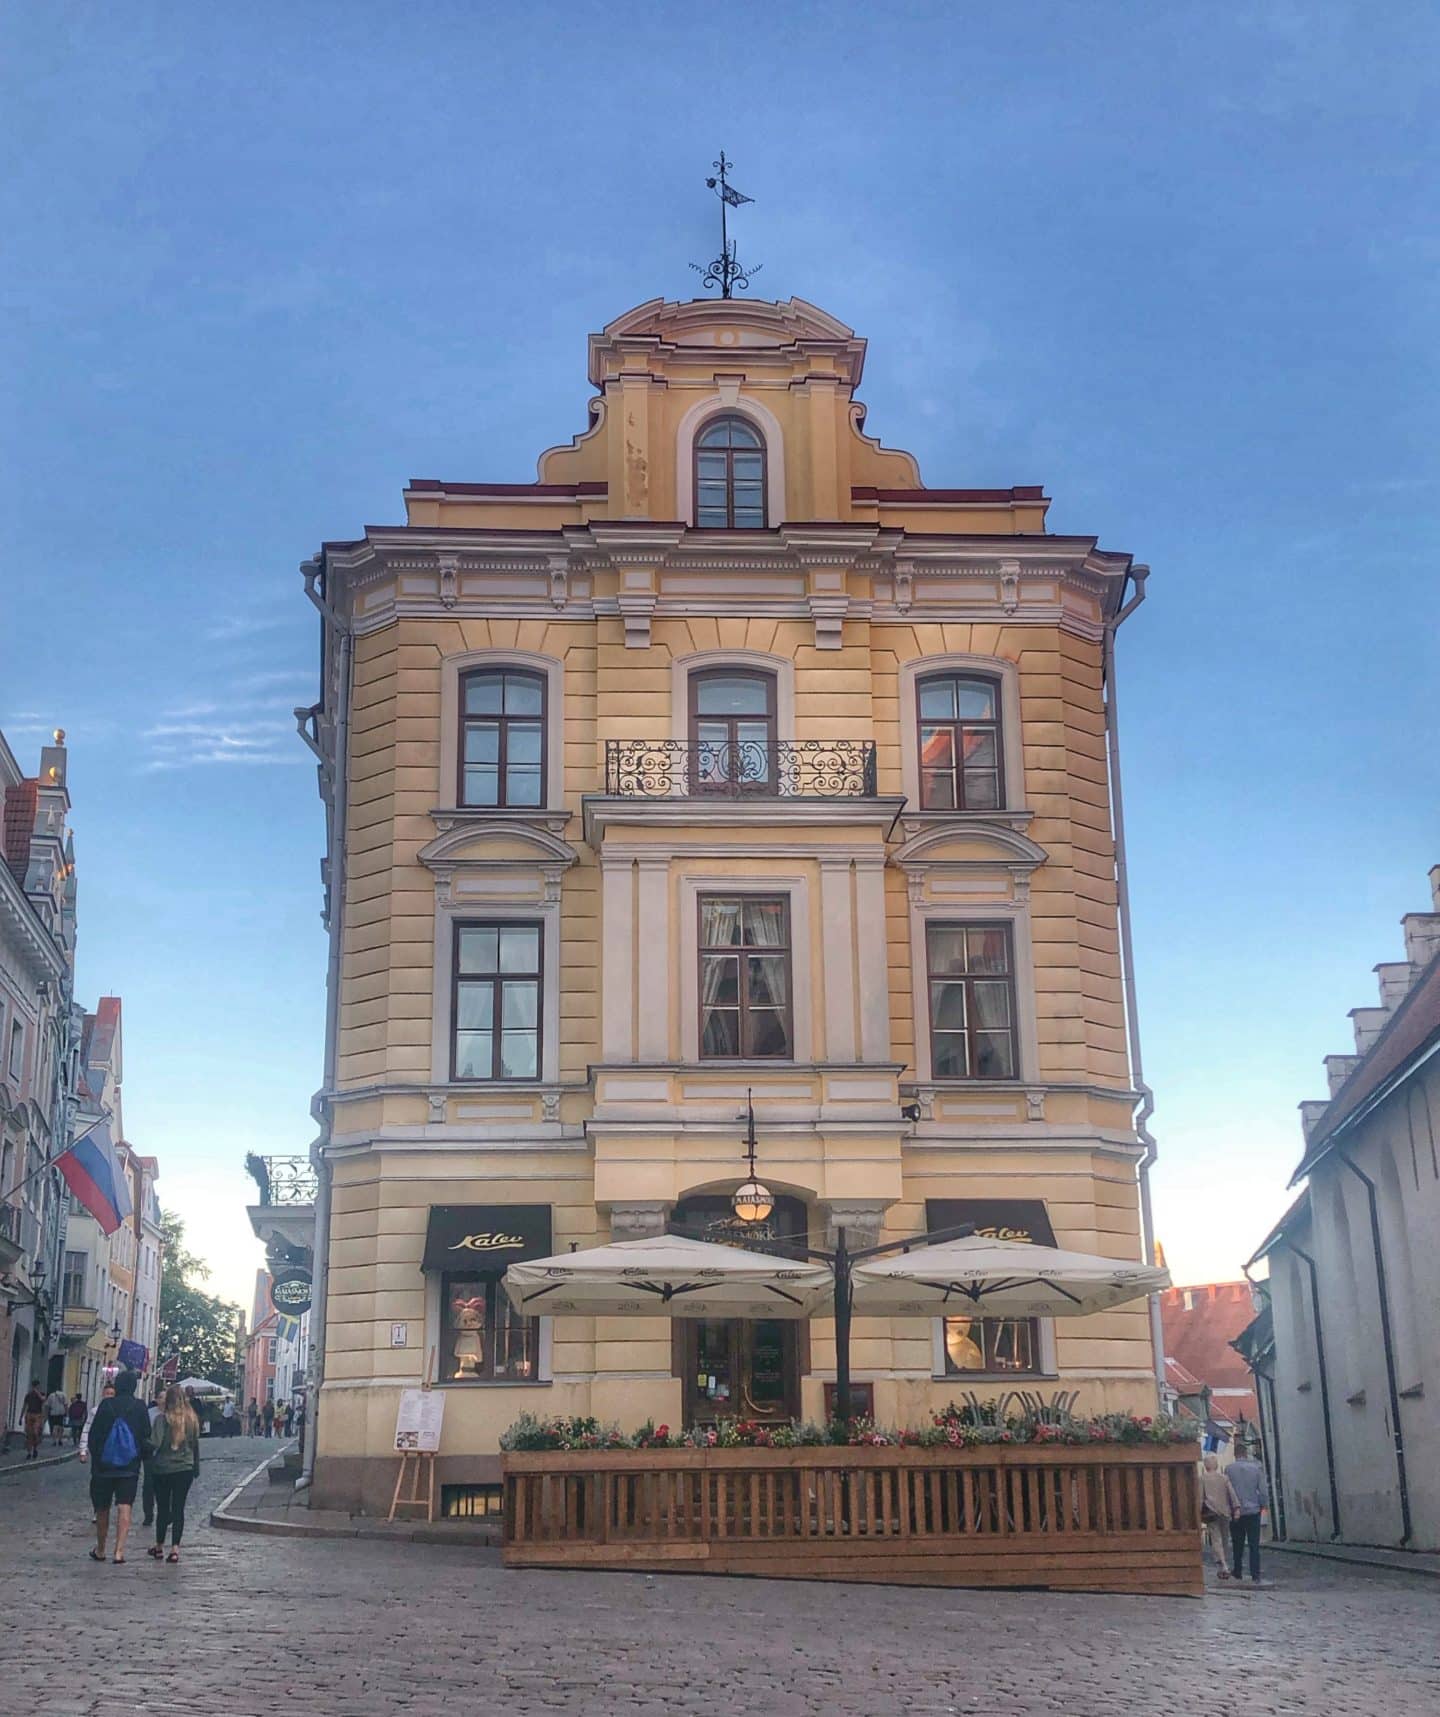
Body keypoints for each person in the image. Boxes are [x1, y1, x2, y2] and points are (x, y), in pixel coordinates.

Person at [83, 1370, 152, 1564]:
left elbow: (94, 1435)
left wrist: (97, 1458)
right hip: (129, 1466)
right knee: (125, 1505)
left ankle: (101, 1549)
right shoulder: (140, 1407)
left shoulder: (106, 1405)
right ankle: (119, 1551)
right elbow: (146, 1434)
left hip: (104, 1467)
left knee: (102, 1508)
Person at [147, 1384, 200, 1564]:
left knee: (163, 1508)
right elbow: (195, 1445)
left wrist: (142, 1443)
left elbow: (155, 1443)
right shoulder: (192, 1420)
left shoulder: (162, 1420)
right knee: (179, 1508)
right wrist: (196, 1467)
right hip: (185, 1468)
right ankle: (175, 1549)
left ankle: (159, 1546)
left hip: (163, 1468)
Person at [1227, 1448, 1270, 1586]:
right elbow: (1263, 1491)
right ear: (1246, 1454)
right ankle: (1255, 1574)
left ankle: (1238, 1570)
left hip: (1236, 1511)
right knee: (1254, 1544)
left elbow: (1227, 1490)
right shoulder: (1256, 1469)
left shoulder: (1229, 1469)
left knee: (1237, 1543)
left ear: (1235, 1455)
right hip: (1253, 1511)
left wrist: (1230, 1507)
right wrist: (1263, 1505)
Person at [1198, 1454, 1236, 1581]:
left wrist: (1198, 1512)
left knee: (1216, 1539)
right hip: (1225, 1511)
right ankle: (1223, 1565)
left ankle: (1223, 1565)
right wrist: (1236, 1507)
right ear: (1217, 1465)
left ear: (1205, 1466)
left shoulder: (1202, 1479)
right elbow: (1232, 1494)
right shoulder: (1224, 1478)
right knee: (1225, 1539)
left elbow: (1200, 1498)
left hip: (1211, 1512)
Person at [141, 1389, 166, 1527]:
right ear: (156, 1399)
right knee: (149, 1485)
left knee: (164, 1485)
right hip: (150, 1454)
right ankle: (148, 1514)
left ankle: (165, 1512)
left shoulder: (172, 1414)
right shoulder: (149, 1413)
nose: (163, 1400)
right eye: (161, 1397)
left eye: (166, 1397)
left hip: (166, 1454)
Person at [21, 1380, 46, 1460]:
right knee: (29, 1434)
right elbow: (25, 1406)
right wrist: (21, 1417)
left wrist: (37, 1392)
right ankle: (29, 1452)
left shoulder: (41, 1394)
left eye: (37, 1386)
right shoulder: (28, 1395)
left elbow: (43, 1400)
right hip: (29, 1414)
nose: (36, 1387)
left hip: (38, 1415)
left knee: (35, 1433)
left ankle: (35, 1448)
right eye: (35, 1386)